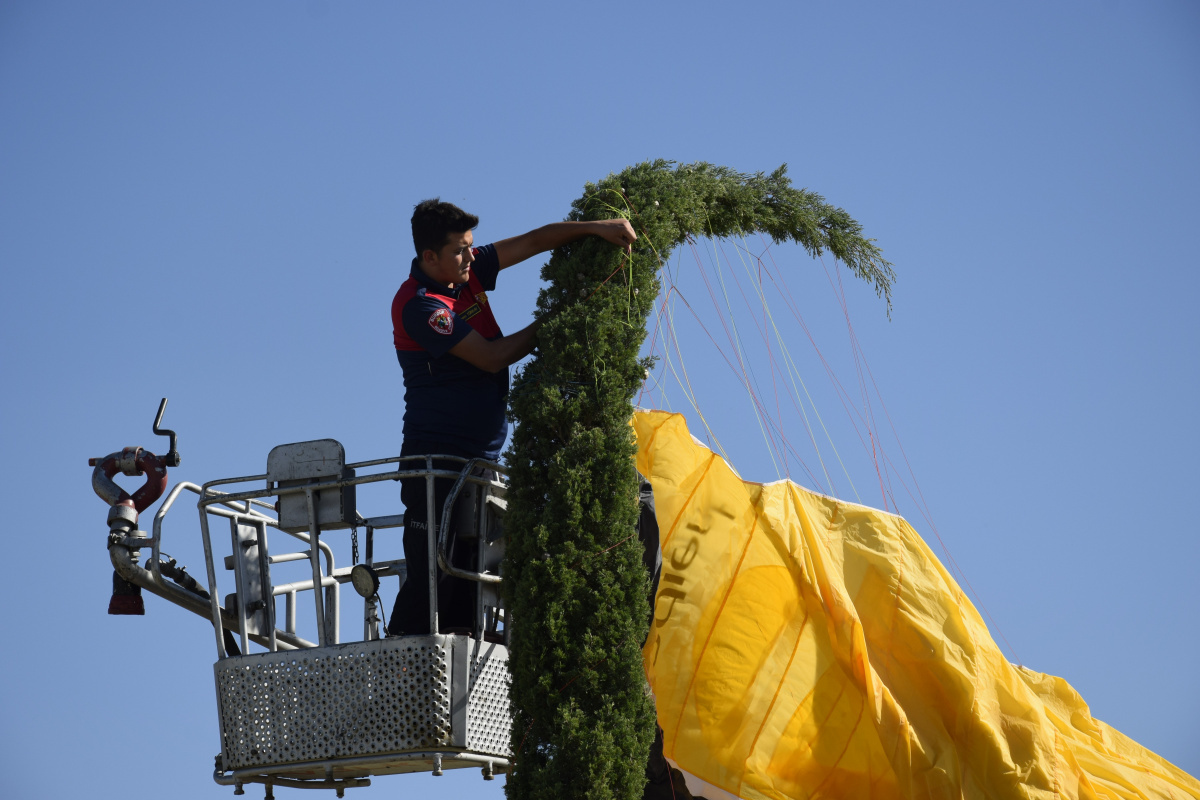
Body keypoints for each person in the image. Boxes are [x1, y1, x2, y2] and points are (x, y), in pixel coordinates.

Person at [387, 198, 636, 636]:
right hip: (436, 459)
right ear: (430, 257)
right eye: (459, 250)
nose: (471, 256)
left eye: (471, 245)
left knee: (471, 575)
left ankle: (458, 647)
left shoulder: (465, 271)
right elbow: (492, 356)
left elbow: (534, 241)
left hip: (480, 459)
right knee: (434, 574)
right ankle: (403, 661)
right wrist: (559, 316)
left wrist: (596, 227)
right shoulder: (420, 305)